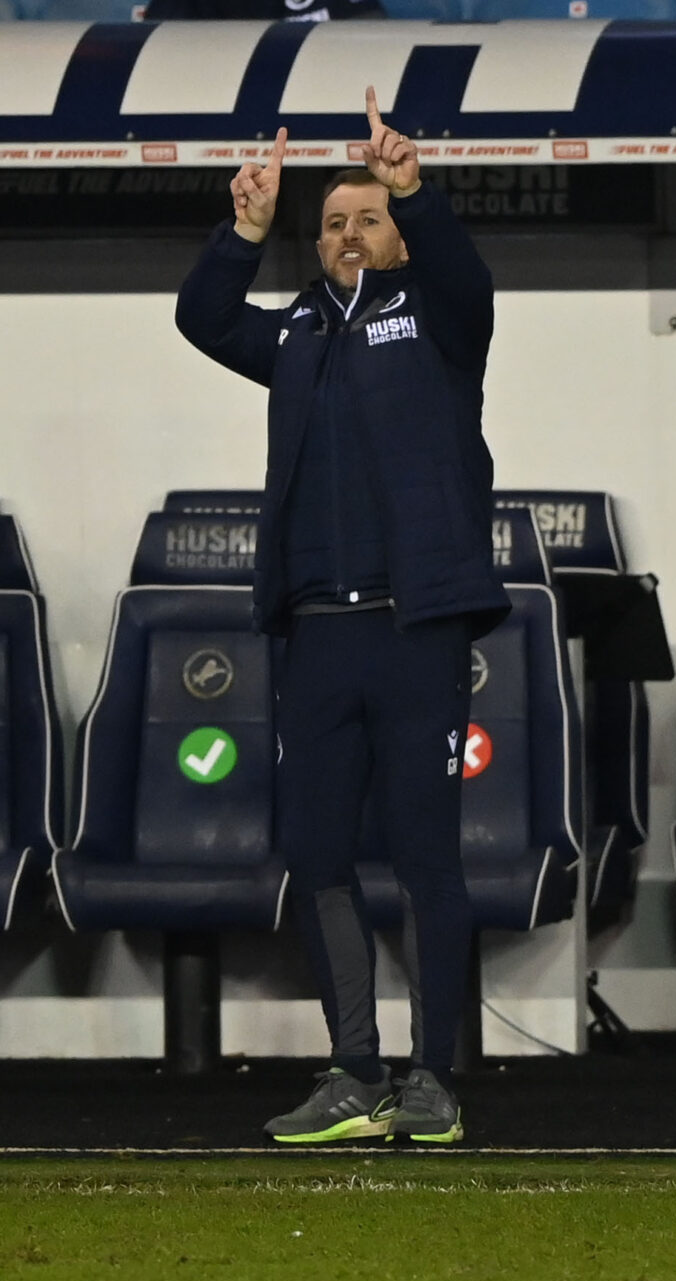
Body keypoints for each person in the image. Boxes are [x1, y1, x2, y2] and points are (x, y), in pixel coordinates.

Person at [175, 91, 508, 1145]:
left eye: (368, 218)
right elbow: (202, 318)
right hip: (317, 632)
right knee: (316, 855)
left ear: (397, 234)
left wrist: (419, 190)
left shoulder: (437, 319)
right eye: (330, 223)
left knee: (425, 858)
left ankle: (432, 1077)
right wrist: (242, 230)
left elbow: (469, 286)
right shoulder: (296, 332)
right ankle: (355, 1072)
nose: (347, 234)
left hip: (417, 628)